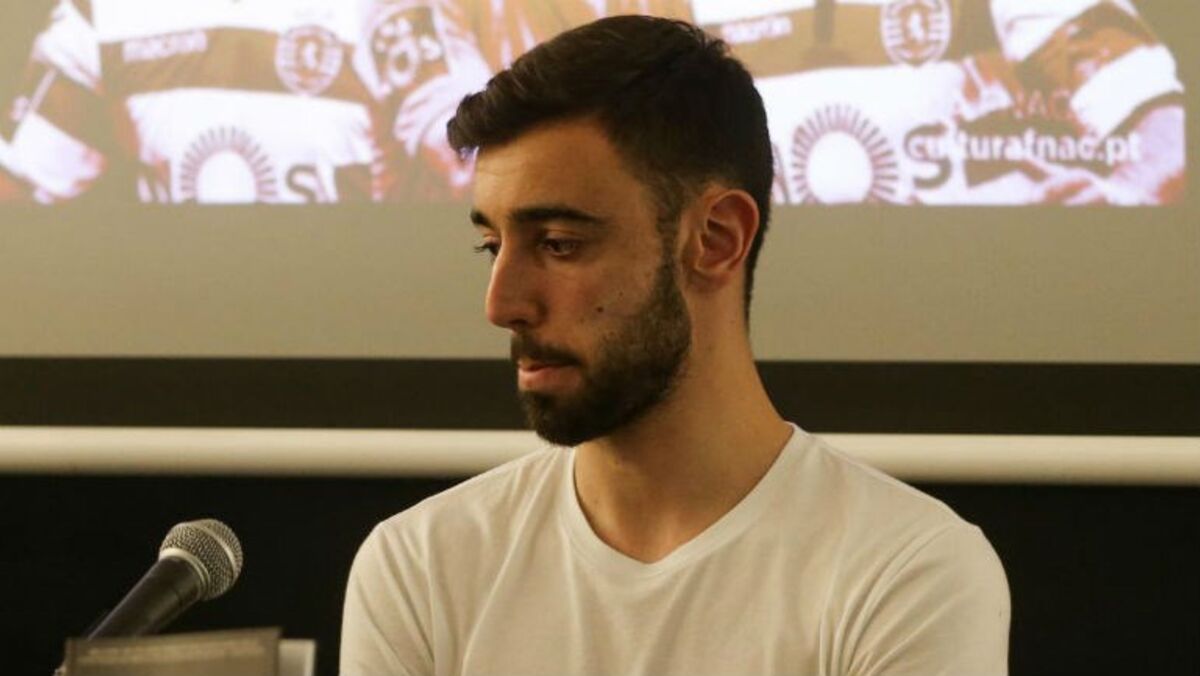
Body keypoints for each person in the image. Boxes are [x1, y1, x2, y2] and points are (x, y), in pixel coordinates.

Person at [341, 15, 1010, 675]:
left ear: (716, 239)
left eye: (559, 245)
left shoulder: (906, 572)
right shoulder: (421, 567)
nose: (501, 305)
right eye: (491, 246)